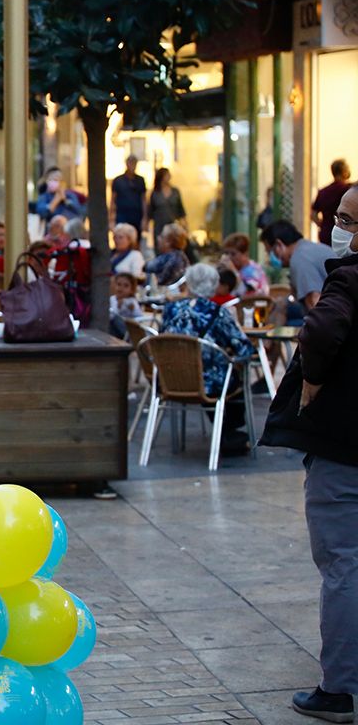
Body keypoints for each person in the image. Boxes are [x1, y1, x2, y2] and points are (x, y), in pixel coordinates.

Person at [260, 185, 358, 723]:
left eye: (344, 220)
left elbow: (321, 327)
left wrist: (313, 382)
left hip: (344, 450)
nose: (334, 228)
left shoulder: (348, 277)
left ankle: (339, 688)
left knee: (343, 563)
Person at [160, 263, 254, 455]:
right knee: (231, 374)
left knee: (214, 370)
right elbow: (244, 349)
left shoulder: (170, 309)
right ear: (214, 285)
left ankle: (227, 433)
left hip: (170, 378)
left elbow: (162, 340)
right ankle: (229, 432)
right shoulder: (217, 311)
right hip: (207, 382)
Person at [262, 220, 335, 312]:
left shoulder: (299, 259)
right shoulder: (306, 248)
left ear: (279, 245)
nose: (270, 258)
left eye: (270, 252)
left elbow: (314, 302)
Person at [311, 158, 351, 243]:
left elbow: (313, 214)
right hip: (344, 233)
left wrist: (322, 224)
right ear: (344, 171)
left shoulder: (323, 191)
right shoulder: (348, 189)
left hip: (326, 233)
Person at [147, 168, 186, 246]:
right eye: (166, 175)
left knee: (174, 245)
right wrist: (146, 222)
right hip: (159, 225)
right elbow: (150, 210)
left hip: (173, 224)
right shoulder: (155, 193)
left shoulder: (175, 191)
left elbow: (181, 208)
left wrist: (184, 223)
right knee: (160, 246)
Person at [145, 223, 190, 287]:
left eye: (161, 236)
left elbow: (147, 268)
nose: (158, 238)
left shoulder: (170, 258)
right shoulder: (181, 256)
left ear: (168, 242)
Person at [111, 155, 147, 235]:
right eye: (130, 163)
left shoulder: (140, 180)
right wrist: (111, 218)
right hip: (122, 214)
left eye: (134, 163)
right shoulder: (118, 180)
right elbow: (113, 199)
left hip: (136, 215)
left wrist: (145, 217)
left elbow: (143, 199)